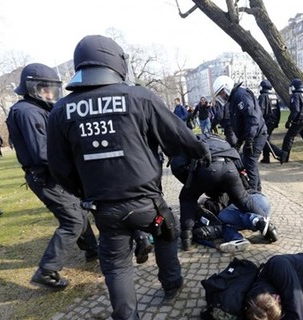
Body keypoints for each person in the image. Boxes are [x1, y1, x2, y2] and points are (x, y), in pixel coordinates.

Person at [47, 35, 210, 320]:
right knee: (167, 235)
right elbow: (179, 137)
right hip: (148, 203)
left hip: (105, 208)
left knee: (116, 265)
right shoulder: (139, 97)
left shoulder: (61, 110)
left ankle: (126, 315)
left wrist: (85, 192)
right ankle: (172, 284)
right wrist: (200, 150)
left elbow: (59, 169)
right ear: (115, 61)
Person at [6, 63, 99, 290]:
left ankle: (92, 249)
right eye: (45, 89)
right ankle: (47, 270)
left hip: (53, 175)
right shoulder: (27, 111)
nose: (50, 94)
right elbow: (42, 153)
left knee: (80, 210)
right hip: (47, 177)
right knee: (73, 220)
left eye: (52, 89)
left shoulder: (37, 109)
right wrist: (74, 165)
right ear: (32, 88)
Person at [170, 133, 276, 251]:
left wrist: (193, 183)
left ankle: (186, 239)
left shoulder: (186, 144)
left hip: (207, 167)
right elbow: (238, 163)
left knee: (187, 199)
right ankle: (264, 222)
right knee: (243, 199)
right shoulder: (218, 140)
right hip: (229, 167)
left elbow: (179, 169)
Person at [213, 75, 267, 191]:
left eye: (222, 93)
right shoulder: (234, 98)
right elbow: (241, 122)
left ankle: (253, 193)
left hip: (256, 134)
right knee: (248, 161)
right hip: (252, 134)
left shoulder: (240, 95)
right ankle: (256, 189)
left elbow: (252, 118)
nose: (222, 96)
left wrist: (249, 140)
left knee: (249, 162)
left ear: (226, 88)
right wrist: (240, 141)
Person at [192, 192, 277, 253]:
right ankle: (238, 239)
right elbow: (195, 235)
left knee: (222, 216)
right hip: (261, 204)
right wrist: (215, 245)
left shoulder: (215, 192)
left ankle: (257, 221)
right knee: (224, 225)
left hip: (256, 199)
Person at [257, 79, 282, 164]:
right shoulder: (274, 96)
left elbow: (261, 110)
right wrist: (277, 122)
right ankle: (266, 158)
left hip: (266, 122)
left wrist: (259, 122)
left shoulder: (263, 96)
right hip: (273, 121)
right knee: (266, 139)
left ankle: (280, 153)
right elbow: (278, 110)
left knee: (264, 140)